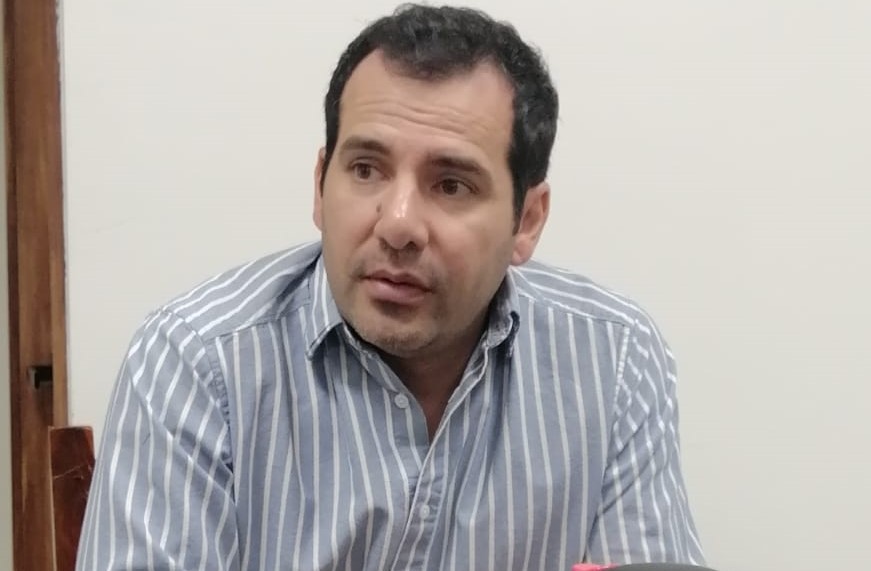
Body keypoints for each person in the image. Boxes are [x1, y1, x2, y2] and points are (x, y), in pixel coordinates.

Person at [76, 4, 705, 570]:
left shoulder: (613, 357)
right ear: (320, 185)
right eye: (366, 169)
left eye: (451, 184)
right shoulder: (197, 363)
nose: (398, 224)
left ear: (528, 220)